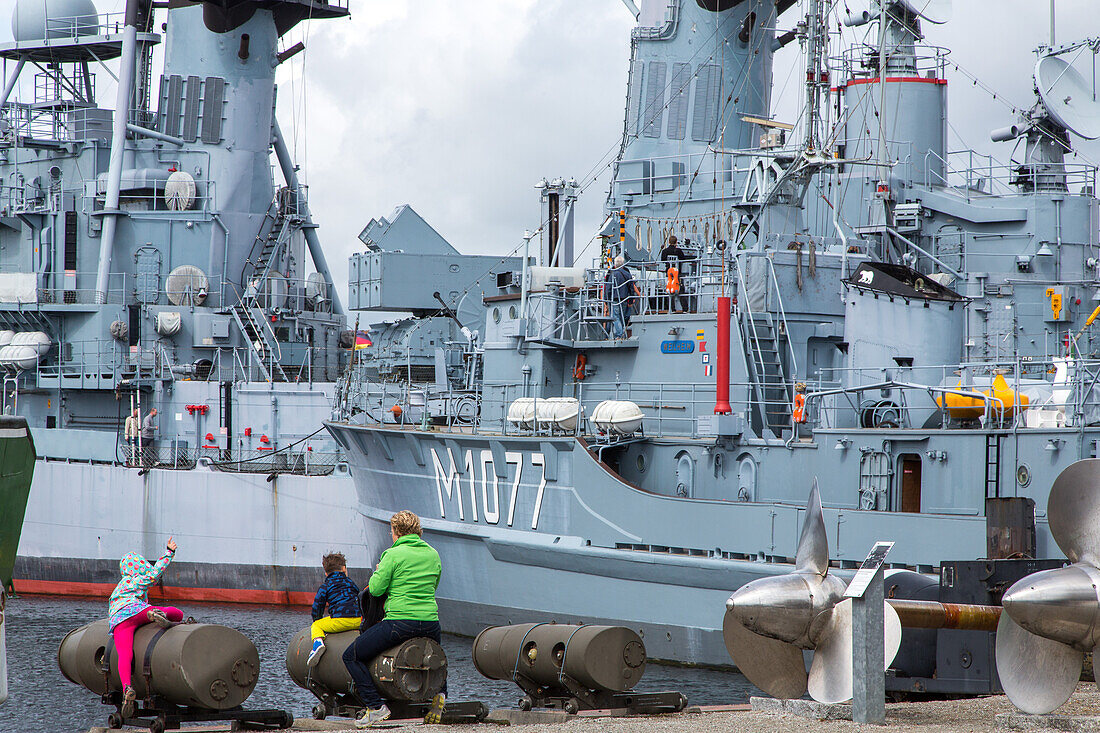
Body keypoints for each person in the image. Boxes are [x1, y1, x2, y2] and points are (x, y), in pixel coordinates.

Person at [343, 511, 445, 728]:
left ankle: (376, 707)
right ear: (418, 531)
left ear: (397, 531)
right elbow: (433, 586)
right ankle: (441, 693)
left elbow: (377, 590)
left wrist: (379, 571)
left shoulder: (392, 554)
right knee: (435, 657)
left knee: (351, 656)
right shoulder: (433, 554)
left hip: (400, 622)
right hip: (430, 622)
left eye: (391, 531)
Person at [107, 538, 185, 719]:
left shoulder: (120, 586)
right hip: (136, 611)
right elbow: (155, 574)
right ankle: (155, 615)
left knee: (125, 655)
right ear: (139, 566)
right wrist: (169, 552)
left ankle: (127, 687)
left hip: (118, 620)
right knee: (176, 613)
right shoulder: (138, 580)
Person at [307, 552, 362, 667]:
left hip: (340, 621)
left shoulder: (326, 586)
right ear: (344, 569)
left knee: (316, 626)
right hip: (358, 621)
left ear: (326, 572)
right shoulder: (351, 583)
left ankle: (318, 645)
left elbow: (317, 606)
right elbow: (359, 598)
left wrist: (317, 620)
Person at [604, 255, 640, 340]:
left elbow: (608, 288)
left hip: (615, 299)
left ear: (615, 264)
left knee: (615, 317)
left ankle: (619, 335)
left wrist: (606, 300)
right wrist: (631, 301)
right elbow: (631, 288)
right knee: (622, 317)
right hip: (624, 298)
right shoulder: (627, 274)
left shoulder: (612, 273)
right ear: (623, 264)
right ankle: (622, 334)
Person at [659, 235, 689, 313]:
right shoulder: (678, 251)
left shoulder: (665, 251)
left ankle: (672, 309)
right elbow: (683, 259)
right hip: (677, 273)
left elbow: (663, 260)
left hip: (669, 273)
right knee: (680, 290)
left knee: (670, 290)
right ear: (676, 242)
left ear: (669, 242)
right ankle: (685, 309)